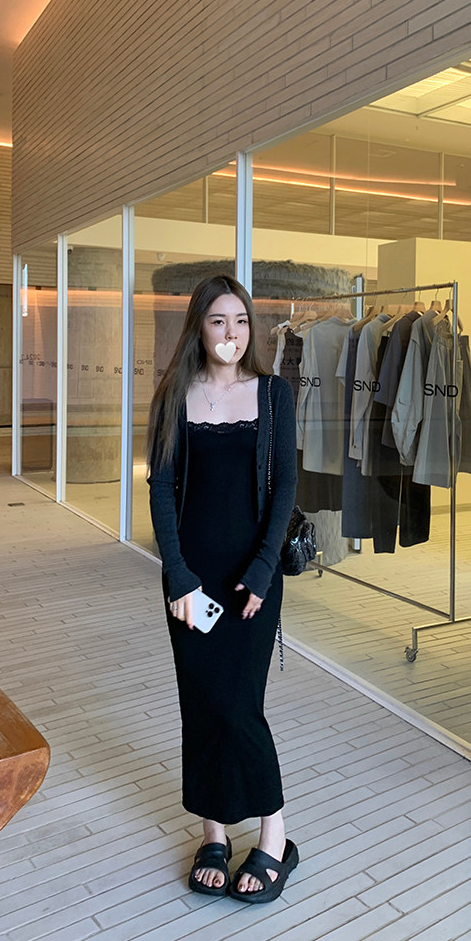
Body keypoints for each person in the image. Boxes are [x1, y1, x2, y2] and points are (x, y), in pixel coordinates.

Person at [146, 274, 299, 903]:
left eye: (239, 320)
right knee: (202, 704)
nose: (230, 332)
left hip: (251, 580)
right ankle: (213, 833)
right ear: (199, 328)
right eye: (218, 321)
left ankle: (274, 837)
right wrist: (178, 576)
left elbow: (286, 486)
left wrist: (264, 569)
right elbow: (161, 489)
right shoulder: (174, 395)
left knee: (240, 708)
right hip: (191, 580)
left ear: (249, 329)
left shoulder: (273, 394)